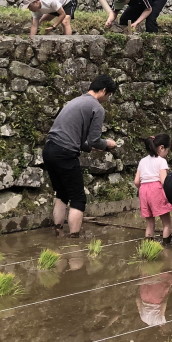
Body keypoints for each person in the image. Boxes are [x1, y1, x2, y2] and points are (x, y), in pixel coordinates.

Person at [42, 74, 119, 237]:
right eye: (109, 95)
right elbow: (95, 140)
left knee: (62, 193)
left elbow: (77, 137)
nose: (108, 98)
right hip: (64, 153)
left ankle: (58, 231)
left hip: (49, 149)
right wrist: (107, 144)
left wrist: (91, 148)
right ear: (104, 91)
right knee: (78, 198)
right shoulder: (97, 108)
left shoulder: (74, 101)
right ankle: (74, 240)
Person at [135, 133, 172, 243]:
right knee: (166, 223)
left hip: (143, 190)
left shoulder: (142, 161)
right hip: (156, 190)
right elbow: (163, 182)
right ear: (161, 148)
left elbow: (136, 181)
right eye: (167, 150)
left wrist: (143, 188)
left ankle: (148, 247)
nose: (167, 154)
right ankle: (166, 248)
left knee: (149, 223)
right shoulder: (161, 161)